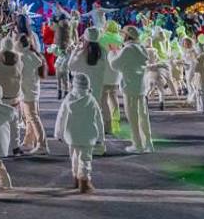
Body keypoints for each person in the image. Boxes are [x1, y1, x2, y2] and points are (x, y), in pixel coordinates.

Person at [55, 72, 104, 193]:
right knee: (85, 159)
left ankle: (76, 178)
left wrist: (59, 133)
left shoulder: (69, 98)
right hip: (88, 135)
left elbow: (61, 117)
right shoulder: (92, 100)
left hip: (71, 135)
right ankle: (84, 181)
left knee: (74, 157)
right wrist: (101, 137)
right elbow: (99, 120)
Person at [108, 26, 152, 154]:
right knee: (143, 115)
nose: (121, 36)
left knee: (132, 116)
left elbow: (114, 65)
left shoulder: (128, 49)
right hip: (140, 86)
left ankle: (137, 144)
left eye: (123, 34)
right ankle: (148, 143)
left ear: (127, 36)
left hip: (129, 85)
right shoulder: (141, 48)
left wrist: (112, 52)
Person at [17, 32, 49, 154]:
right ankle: (28, 141)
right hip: (32, 90)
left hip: (27, 91)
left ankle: (42, 144)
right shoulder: (33, 55)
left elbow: (19, 74)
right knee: (29, 118)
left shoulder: (23, 57)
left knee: (32, 117)